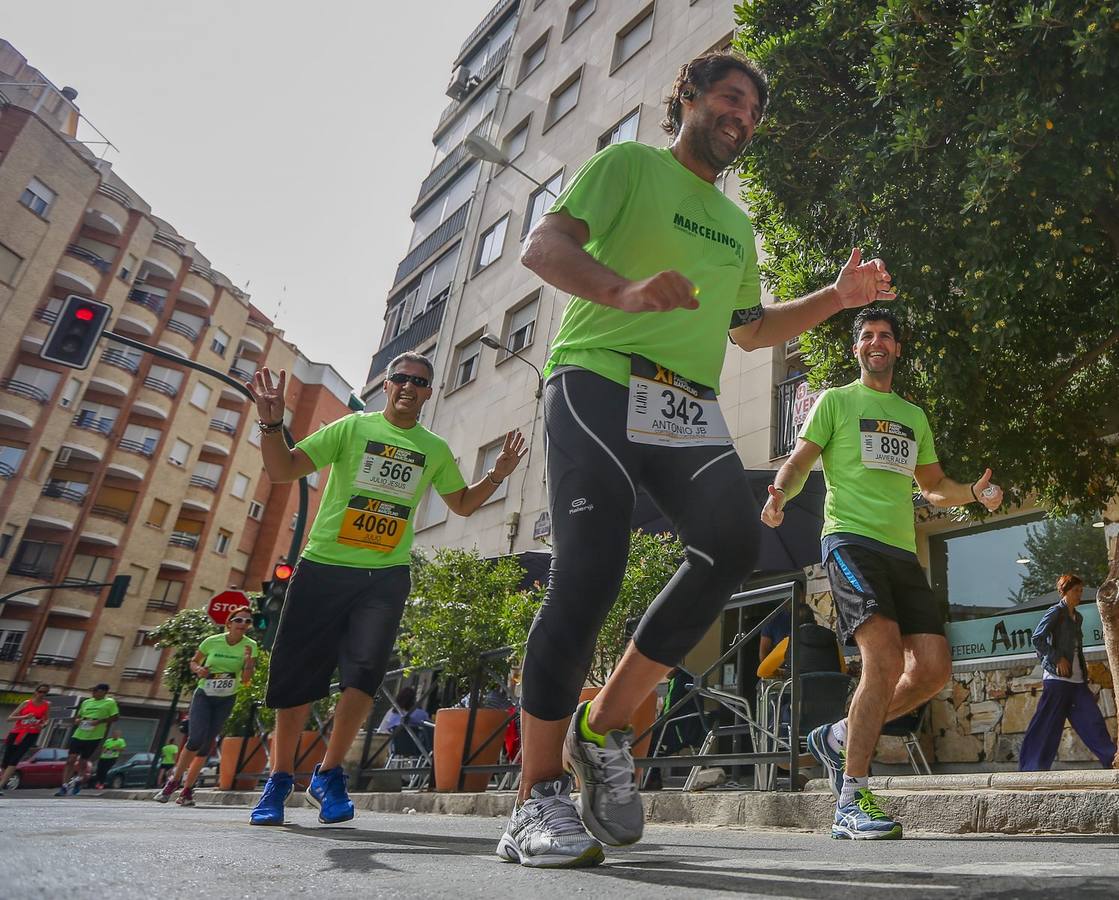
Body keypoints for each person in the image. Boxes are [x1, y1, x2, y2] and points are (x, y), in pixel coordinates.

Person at [499, 49, 899, 869]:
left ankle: (603, 725)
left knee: (729, 544)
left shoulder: (734, 225)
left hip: (683, 403)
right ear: (685, 97)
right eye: (728, 98)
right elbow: (542, 248)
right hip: (597, 384)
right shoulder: (628, 166)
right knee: (589, 571)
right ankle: (534, 799)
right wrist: (623, 291)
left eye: (751, 110)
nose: (740, 117)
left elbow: (747, 328)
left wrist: (837, 299)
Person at [243, 353, 527, 827]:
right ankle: (279, 777)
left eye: (420, 382)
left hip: (385, 574)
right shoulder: (352, 428)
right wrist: (272, 425)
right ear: (388, 386)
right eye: (400, 378)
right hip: (323, 567)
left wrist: (498, 473)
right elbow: (283, 470)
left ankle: (329, 774)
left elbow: (460, 505)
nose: (408, 386)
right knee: (296, 677)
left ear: (429, 393)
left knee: (365, 675)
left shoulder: (432, 448)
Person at [762, 306, 1003, 839]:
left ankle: (840, 735)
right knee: (885, 657)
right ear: (857, 349)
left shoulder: (913, 417)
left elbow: (934, 484)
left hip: (901, 552)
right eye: (867, 336)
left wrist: (974, 494)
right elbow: (802, 460)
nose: (877, 342)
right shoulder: (836, 402)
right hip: (850, 540)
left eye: (886, 336)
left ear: (897, 349)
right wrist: (780, 490)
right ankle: (850, 799)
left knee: (934, 669)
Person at [154, 605, 259, 806]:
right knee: (195, 739)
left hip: (227, 697)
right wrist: (199, 670)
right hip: (204, 694)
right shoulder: (212, 641)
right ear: (229, 623)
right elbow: (193, 662)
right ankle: (173, 782)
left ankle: (187, 790)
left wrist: (247, 662)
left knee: (206, 745)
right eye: (239, 620)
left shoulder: (250, 646)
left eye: (247, 621)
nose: (243, 624)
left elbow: (246, 680)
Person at [1019, 574, 1118, 771]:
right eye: (1076, 591)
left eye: (1081, 591)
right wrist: (1057, 658)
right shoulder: (1056, 612)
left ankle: (1113, 760)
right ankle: (1031, 769)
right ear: (1064, 591)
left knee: (1092, 721)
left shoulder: (1077, 617)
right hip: (1057, 680)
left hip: (1077, 681)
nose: (1079, 595)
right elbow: (1037, 638)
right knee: (1047, 726)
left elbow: (1076, 649)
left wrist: (1083, 673)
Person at [56, 683, 118, 796]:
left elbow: (115, 717)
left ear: (104, 692)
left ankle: (79, 780)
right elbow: (78, 716)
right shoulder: (86, 702)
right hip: (79, 733)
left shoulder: (110, 702)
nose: (93, 693)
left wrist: (99, 721)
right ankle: (64, 786)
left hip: (95, 736)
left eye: (96, 691)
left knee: (83, 761)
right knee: (71, 759)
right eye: (93, 691)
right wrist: (78, 720)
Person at [0, 683, 51, 795]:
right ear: (35, 692)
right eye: (40, 691)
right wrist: (24, 717)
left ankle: (1, 785)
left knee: (15, 759)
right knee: (6, 759)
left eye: (45, 692)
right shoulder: (26, 703)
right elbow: (10, 718)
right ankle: (1, 778)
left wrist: (43, 725)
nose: (42, 694)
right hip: (17, 733)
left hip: (31, 734)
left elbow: (47, 719)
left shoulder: (46, 705)